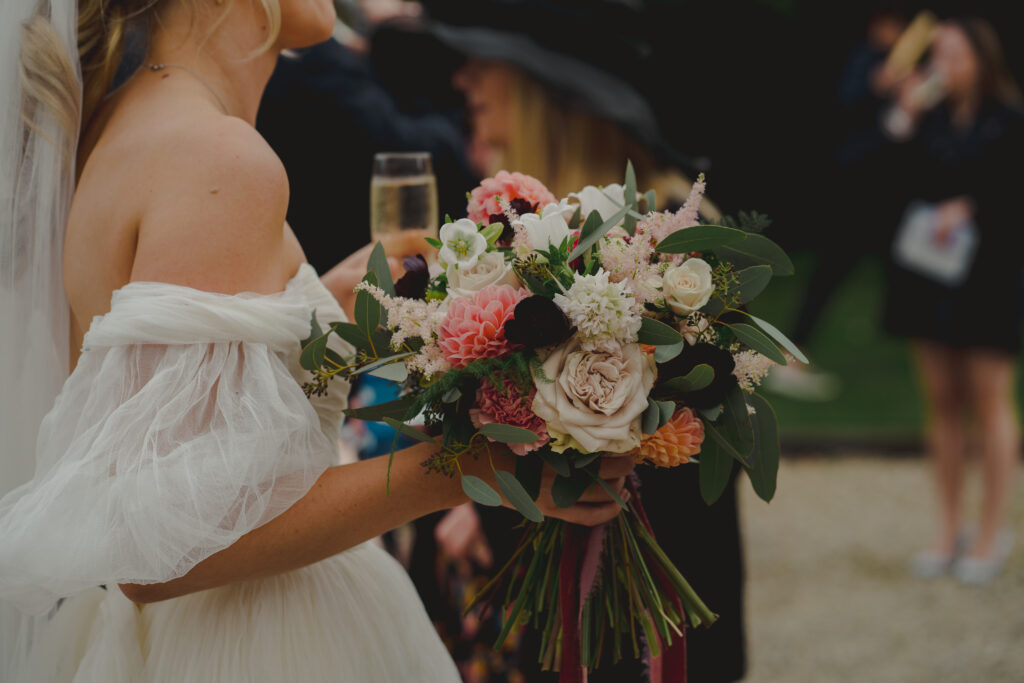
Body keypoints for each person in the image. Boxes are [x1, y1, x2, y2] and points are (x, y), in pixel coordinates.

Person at [0, 0, 635, 678]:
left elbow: (184, 441)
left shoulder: (131, 129)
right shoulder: (217, 155)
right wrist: (478, 467)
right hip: (261, 644)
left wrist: (324, 314)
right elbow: (160, 553)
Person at [403, 2, 747, 681]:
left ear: (542, 87)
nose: (464, 79)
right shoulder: (501, 240)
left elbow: (704, 447)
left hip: (643, 600)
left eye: (484, 60)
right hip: (528, 604)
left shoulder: (673, 234)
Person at [880, 17, 1024, 584]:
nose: (944, 64)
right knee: (940, 400)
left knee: (989, 400)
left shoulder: (1011, 120)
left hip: (988, 276)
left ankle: (992, 530)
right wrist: (903, 118)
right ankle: (947, 526)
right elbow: (883, 182)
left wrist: (973, 209)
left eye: (955, 54)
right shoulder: (927, 118)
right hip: (928, 273)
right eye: (937, 54)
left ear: (982, 60)